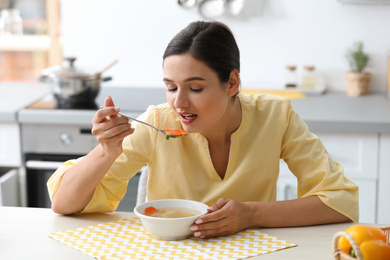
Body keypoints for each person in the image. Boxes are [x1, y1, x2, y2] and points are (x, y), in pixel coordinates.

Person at [48, 21, 358, 239]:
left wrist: (251, 214)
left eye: (195, 88)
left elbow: (340, 201)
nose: (179, 103)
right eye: (170, 87)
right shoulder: (158, 121)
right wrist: (106, 152)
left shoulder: (276, 116)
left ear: (232, 83)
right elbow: (63, 204)